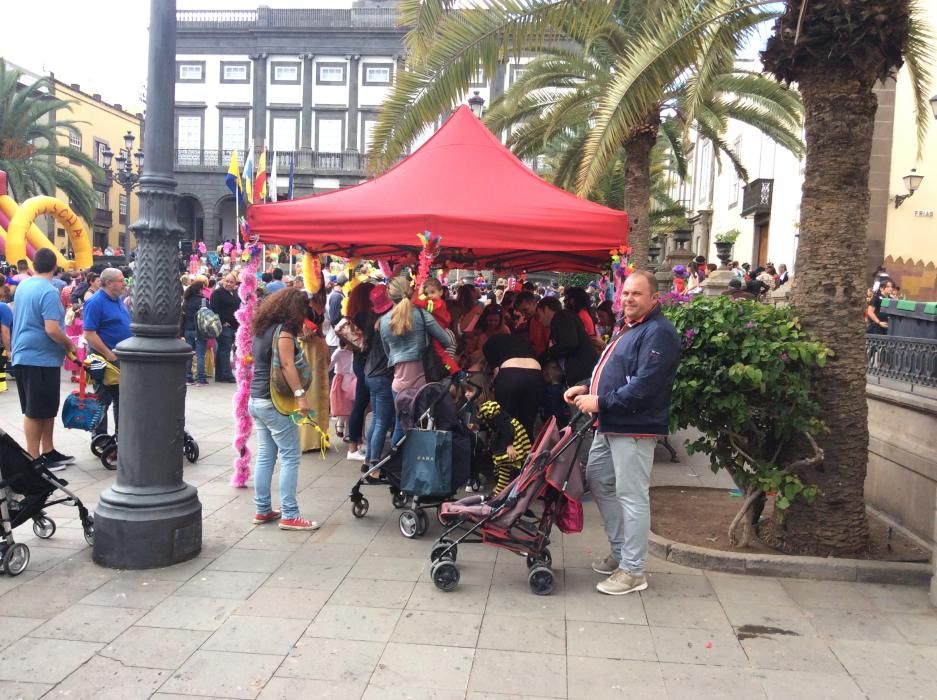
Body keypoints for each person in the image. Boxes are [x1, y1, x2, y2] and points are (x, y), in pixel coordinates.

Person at [565, 271, 680, 596]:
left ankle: (633, 570)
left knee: (632, 495)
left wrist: (599, 400)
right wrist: (586, 387)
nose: (628, 298)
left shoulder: (658, 332)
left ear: (654, 299)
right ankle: (621, 552)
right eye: (626, 293)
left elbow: (645, 386)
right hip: (611, 422)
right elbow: (614, 371)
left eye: (637, 294)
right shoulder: (631, 327)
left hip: (634, 427)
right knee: (600, 478)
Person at [248, 287, 321, 531]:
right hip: (273, 402)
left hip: (256, 399)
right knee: (290, 455)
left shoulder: (262, 328)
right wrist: (301, 396)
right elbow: (288, 365)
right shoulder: (285, 333)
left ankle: (263, 509)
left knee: (266, 455)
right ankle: (290, 514)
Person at [9, 248, 77, 468]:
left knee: (47, 408)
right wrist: (69, 343)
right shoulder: (48, 291)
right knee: (35, 410)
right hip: (36, 357)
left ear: (33, 264)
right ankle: (34, 458)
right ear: (55, 267)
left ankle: (48, 451)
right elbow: (52, 329)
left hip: (34, 356)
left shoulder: (24, 286)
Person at [380, 276, 452, 443]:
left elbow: (388, 353)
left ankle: (398, 465)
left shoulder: (384, 321)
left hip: (398, 382)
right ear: (411, 291)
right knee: (423, 427)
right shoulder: (421, 315)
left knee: (400, 426)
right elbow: (446, 340)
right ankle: (418, 464)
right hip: (422, 381)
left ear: (390, 296)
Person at [82, 268, 132, 435]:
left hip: (119, 357)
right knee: (102, 399)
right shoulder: (95, 302)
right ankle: (100, 438)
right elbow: (89, 334)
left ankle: (121, 436)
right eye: (120, 280)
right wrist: (109, 354)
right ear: (109, 283)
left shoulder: (118, 299)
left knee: (121, 398)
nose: (124, 283)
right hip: (103, 359)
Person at [482, 333, 542, 440]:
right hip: (535, 372)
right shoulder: (522, 340)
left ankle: (506, 452)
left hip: (510, 372)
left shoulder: (488, 346)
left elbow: (496, 371)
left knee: (506, 419)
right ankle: (528, 453)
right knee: (527, 422)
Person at [363, 284, 396, 468]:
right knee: (382, 421)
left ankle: (369, 457)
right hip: (382, 375)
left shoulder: (373, 321)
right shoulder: (387, 324)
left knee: (376, 418)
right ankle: (373, 464)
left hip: (371, 374)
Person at [535, 296, 599, 387]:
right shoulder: (564, 318)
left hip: (582, 374)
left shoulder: (561, 317)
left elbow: (569, 343)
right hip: (582, 374)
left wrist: (549, 353)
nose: (539, 321)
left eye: (539, 316)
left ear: (546, 309)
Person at [344, 281, 375, 461]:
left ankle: (357, 442)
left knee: (361, 403)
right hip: (367, 362)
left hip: (358, 361)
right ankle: (353, 446)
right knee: (361, 403)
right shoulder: (368, 316)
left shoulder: (354, 315)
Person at [477, 400, 532, 494]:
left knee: (504, 467)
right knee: (513, 467)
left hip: (509, 445)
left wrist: (509, 445)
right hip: (514, 442)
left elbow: (504, 428)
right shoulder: (510, 422)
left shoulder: (502, 424)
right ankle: (505, 491)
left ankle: (499, 493)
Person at [299, 291, 331, 454]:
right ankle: (307, 439)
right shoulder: (304, 303)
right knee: (310, 391)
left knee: (319, 393)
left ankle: (317, 437)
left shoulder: (317, 302)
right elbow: (303, 333)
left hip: (317, 350)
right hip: (308, 351)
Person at [210, 273, 241, 382]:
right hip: (224, 327)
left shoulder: (234, 293)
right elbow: (213, 309)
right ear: (223, 281)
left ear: (235, 284)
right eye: (227, 281)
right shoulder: (217, 293)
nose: (228, 283)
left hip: (234, 326)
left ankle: (220, 375)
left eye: (231, 282)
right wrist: (222, 322)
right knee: (225, 350)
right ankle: (226, 374)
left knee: (223, 350)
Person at [181, 278, 209, 386]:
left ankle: (188, 377)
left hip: (188, 330)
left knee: (189, 354)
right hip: (199, 330)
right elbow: (208, 315)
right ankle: (200, 378)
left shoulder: (186, 300)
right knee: (200, 355)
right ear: (200, 289)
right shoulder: (203, 301)